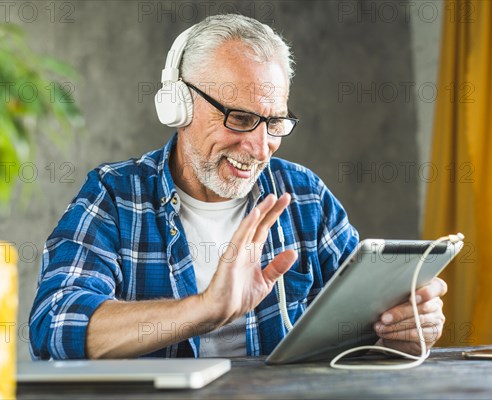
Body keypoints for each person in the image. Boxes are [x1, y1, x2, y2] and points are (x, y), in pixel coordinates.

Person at [29, 14, 447, 360]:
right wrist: (204, 310)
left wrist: (400, 328)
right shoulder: (114, 196)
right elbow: (55, 324)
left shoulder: (305, 196)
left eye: (274, 123)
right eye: (240, 119)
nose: (259, 147)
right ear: (178, 104)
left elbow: (358, 330)